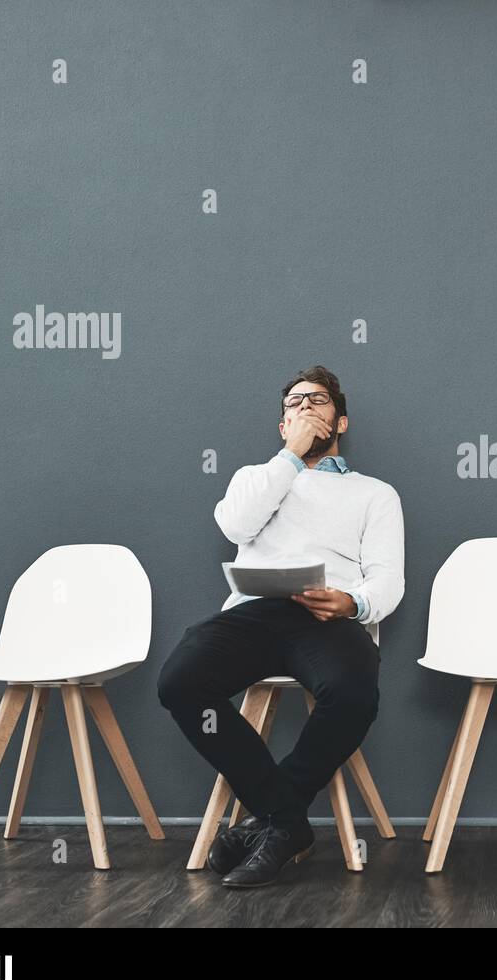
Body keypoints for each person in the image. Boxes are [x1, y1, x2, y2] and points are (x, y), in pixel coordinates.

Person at [157, 365, 404, 888]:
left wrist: (351, 601)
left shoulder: (375, 494)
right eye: (293, 404)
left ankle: (272, 819)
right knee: (180, 679)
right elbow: (235, 526)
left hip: (328, 618)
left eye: (316, 401)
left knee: (354, 692)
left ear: (340, 423)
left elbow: (389, 580)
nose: (304, 409)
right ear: (282, 425)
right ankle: (286, 823)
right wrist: (290, 457)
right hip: (254, 611)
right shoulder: (258, 476)